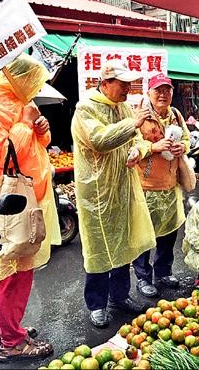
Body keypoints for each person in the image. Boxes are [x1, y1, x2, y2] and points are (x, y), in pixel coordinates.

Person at [0, 54, 60, 362]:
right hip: (2, 202)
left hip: (25, 198)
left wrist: (40, 127)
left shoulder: (17, 103)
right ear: (16, 78)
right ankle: (12, 342)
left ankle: (3, 329)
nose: (36, 87)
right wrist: (26, 123)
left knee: (12, 269)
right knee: (11, 272)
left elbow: (36, 146)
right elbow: (5, 156)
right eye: (32, 81)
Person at [71, 59, 156, 327]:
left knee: (123, 243)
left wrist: (137, 150)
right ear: (105, 83)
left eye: (129, 84)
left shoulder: (122, 109)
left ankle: (120, 296)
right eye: (122, 84)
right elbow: (100, 140)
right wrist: (134, 125)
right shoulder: (86, 109)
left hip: (123, 187)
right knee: (99, 247)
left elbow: (138, 140)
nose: (127, 89)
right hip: (96, 194)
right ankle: (96, 303)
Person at [132, 73, 190, 297]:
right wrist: (154, 147)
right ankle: (143, 277)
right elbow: (131, 144)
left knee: (169, 234)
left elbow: (186, 138)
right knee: (144, 236)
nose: (163, 95)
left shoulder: (175, 115)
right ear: (149, 92)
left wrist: (182, 148)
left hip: (171, 185)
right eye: (158, 90)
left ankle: (163, 272)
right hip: (146, 186)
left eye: (167, 90)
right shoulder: (140, 115)